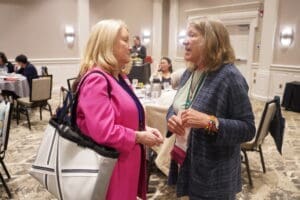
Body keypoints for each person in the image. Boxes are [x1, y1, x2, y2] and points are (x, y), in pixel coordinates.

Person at [166, 18, 256, 199]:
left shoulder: (229, 77)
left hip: (214, 177)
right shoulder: (190, 72)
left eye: (192, 35)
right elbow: (174, 106)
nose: (184, 41)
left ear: (211, 40)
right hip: (188, 162)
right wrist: (171, 120)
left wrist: (209, 122)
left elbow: (248, 129)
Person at [74, 19, 163, 200]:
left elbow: (123, 118)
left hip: (124, 162)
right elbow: (104, 132)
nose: (130, 47)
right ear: (107, 44)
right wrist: (139, 136)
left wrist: (143, 129)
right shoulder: (96, 79)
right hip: (110, 167)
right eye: (125, 40)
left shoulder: (119, 77)